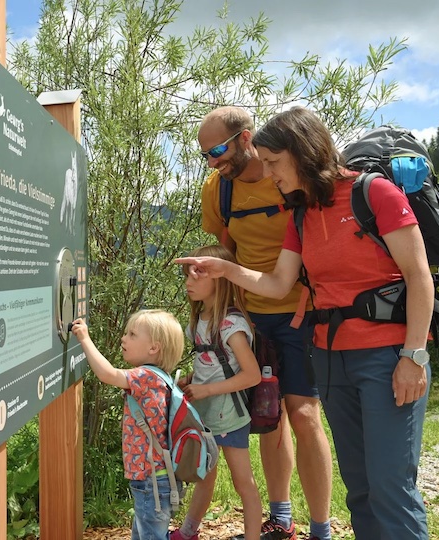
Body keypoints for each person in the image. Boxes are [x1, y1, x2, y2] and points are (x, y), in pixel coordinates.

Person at [177, 106, 434, 540]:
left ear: (302, 152)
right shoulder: (301, 214)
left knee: (390, 486)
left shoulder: (375, 194)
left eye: (276, 162)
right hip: (331, 352)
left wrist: (414, 355)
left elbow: (418, 275)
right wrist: (224, 272)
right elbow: (277, 281)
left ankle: (323, 528)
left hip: (385, 353)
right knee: (361, 488)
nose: (271, 172)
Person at [196, 106, 334, 540]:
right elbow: (225, 252)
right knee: (270, 418)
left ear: (245, 137)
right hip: (249, 319)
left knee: (305, 414)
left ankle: (321, 528)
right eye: (205, 155)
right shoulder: (217, 191)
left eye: (217, 150)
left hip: (300, 313)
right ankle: (281, 518)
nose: (212, 161)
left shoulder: (287, 178)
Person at [171, 244, 263, 540]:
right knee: (203, 476)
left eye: (197, 276)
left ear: (219, 279)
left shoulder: (230, 325)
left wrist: (207, 389)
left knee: (243, 483)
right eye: (187, 276)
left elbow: (252, 375)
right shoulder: (200, 321)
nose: (188, 282)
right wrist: (190, 382)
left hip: (230, 417)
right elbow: (210, 365)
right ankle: (188, 532)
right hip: (206, 414)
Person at [69, 309, 186, 540]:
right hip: (154, 479)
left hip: (151, 482)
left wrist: (84, 338)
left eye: (132, 334)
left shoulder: (146, 377)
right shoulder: (159, 377)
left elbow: (108, 374)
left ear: (154, 348)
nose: (123, 338)